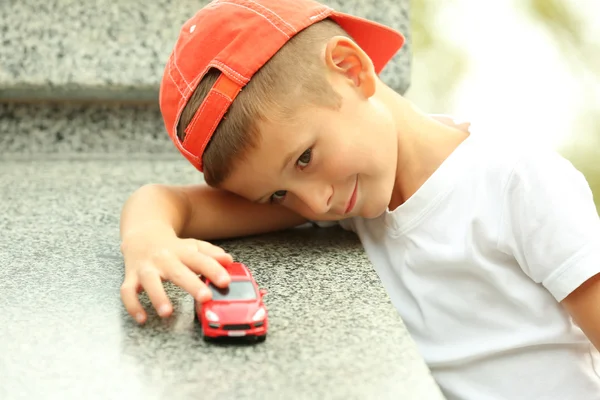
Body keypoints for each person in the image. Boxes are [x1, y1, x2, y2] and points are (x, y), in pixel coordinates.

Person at [118, 0, 600, 398]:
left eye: (304, 158)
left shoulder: (515, 181)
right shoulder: (350, 196)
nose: (314, 205)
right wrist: (148, 240)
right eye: (278, 194)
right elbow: (166, 202)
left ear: (351, 70)